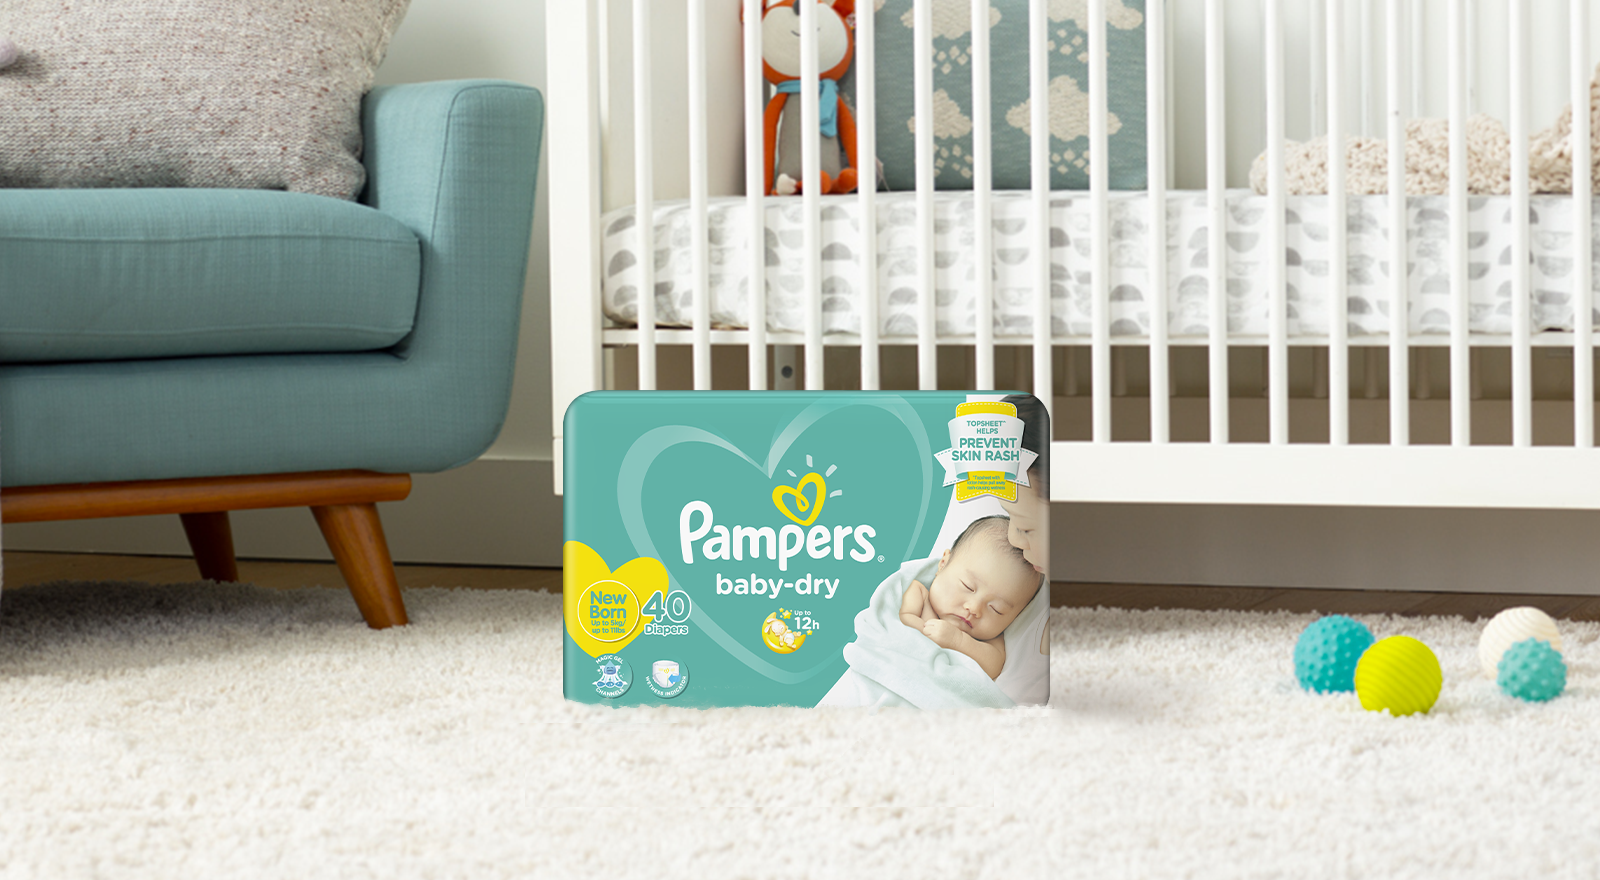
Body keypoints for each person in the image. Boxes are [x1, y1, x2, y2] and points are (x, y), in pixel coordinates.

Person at [898, 516, 1043, 680]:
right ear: (943, 563)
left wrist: (957, 641)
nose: (974, 608)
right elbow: (900, 621)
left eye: (996, 609)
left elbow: (993, 665)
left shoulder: (988, 640)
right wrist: (929, 633)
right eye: (968, 587)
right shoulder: (917, 592)